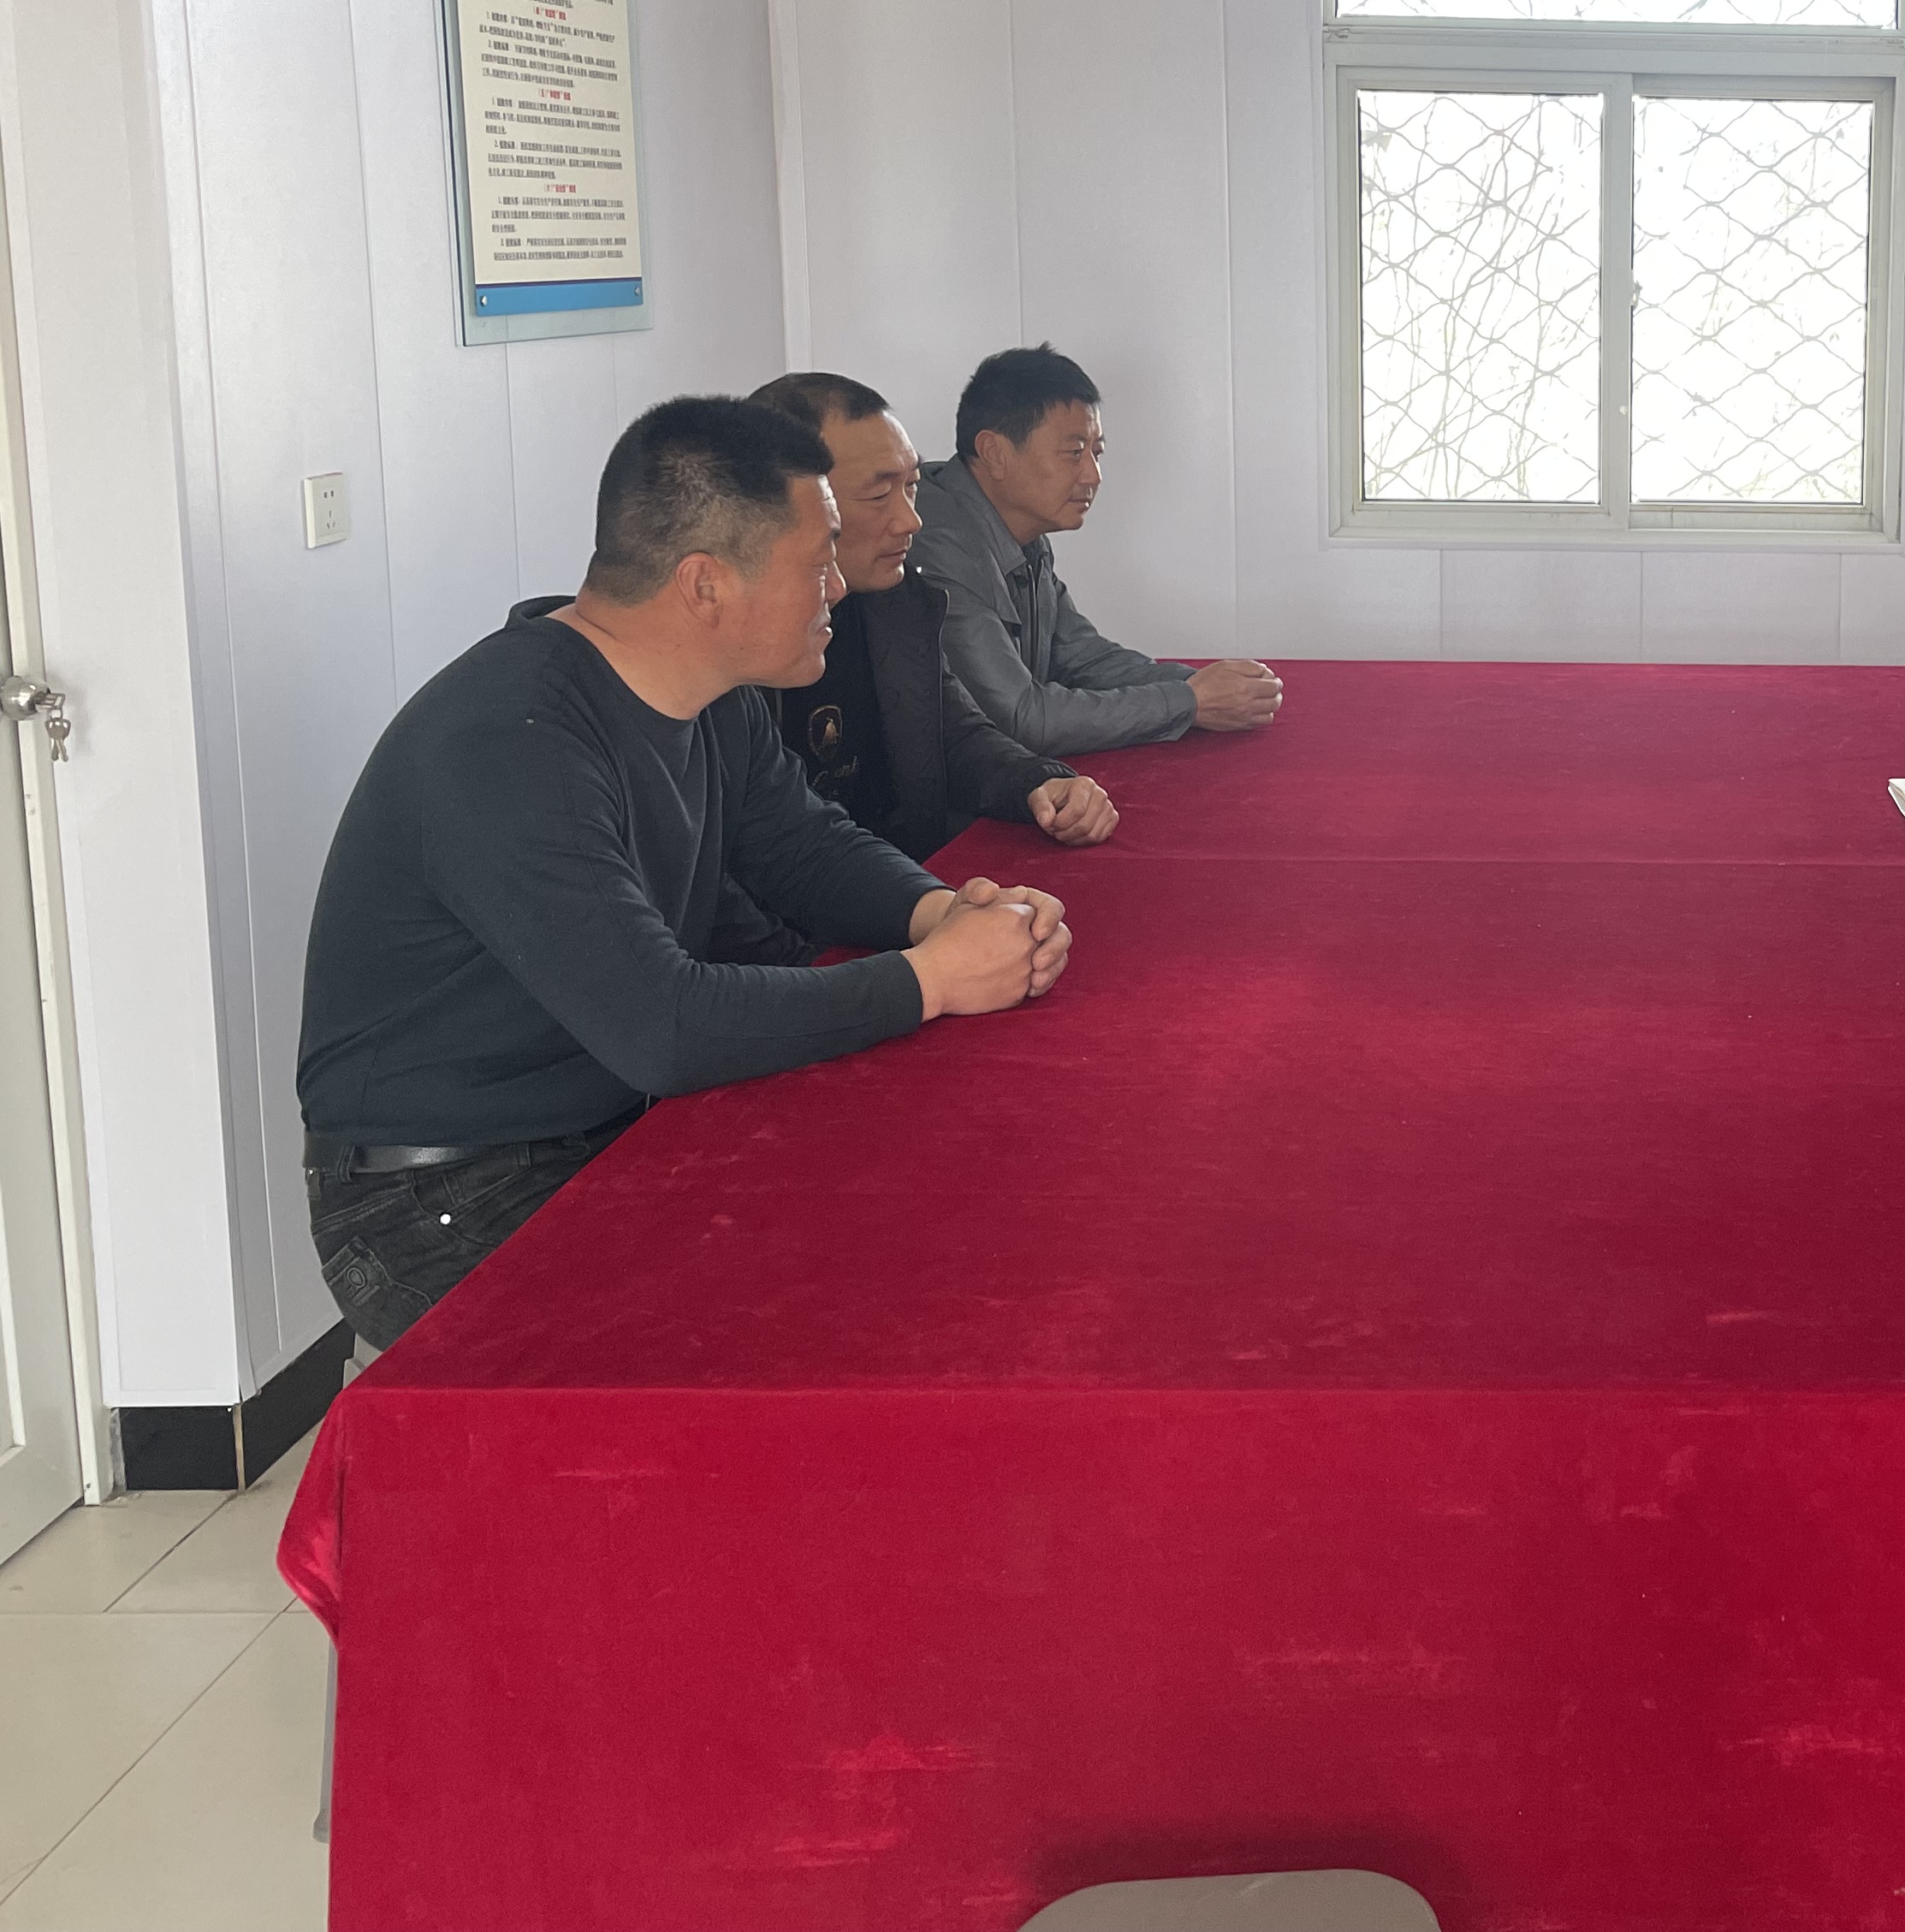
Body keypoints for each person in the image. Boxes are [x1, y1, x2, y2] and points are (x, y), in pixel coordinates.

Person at [296, 397, 1074, 1350]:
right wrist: (934, 978)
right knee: (800, 1333)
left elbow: (804, 846)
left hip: (606, 1122)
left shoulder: (710, 696)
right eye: (816, 562)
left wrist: (942, 912)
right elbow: (662, 1025)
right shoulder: (506, 741)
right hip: (438, 1195)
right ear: (704, 583)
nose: (837, 588)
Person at [748, 370, 1119, 862]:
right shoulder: (735, 649)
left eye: (912, 486)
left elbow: (956, 735)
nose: (912, 520)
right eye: (879, 495)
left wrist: (1040, 783)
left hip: (894, 876)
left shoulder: (899, 599)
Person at [911, 344, 1282, 755]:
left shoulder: (1021, 530)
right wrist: (1190, 702)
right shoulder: (938, 543)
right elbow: (1021, 719)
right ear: (995, 453)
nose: (1094, 475)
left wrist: (1205, 686)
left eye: (1096, 452)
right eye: (1074, 453)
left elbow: (1082, 659)